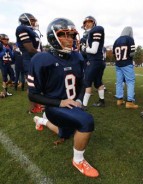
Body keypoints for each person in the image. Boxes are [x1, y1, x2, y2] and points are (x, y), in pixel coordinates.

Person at [27, 18, 99, 178]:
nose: (70, 39)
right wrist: (60, 102)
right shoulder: (40, 60)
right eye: (64, 35)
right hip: (54, 106)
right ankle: (78, 160)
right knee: (87, 121)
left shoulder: (78, 57)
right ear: (52, 36)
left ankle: (41, 121)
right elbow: (33, 94)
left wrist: (79, 100)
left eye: (72, 35)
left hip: (72, 105)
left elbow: (82, 84)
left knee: (64, 133)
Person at [16, 13, 43, 113]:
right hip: (30, 60)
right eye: (32, 20)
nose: (34, 22)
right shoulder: (21, 28)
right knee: (32, 84)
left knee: (39, 83)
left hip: (35, 58)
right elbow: (30, 49)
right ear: (25, 20)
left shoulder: (32, 31)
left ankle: (38, 104)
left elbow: (37, 48)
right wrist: (44, 55)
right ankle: (32, 108)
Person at [81, 16, 105, 109]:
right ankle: (102, 101)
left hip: (94, 61)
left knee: (87, 83)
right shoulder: (90, 33)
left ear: (94, 22)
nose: (87, 24)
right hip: (99, 61)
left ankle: (84, 105)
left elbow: (94, 50)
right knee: (98, 82)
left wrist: (84, 49)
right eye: (85, 22)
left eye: (89, 22)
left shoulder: (97, 29)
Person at [113, 27, 138, 109]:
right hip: (126, 63)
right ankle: (130, 102)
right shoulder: (130, 39)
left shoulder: (116, 40)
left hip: (118, 64)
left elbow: (114, 53)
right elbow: (132, 53)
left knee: (119, 82)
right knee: (130, 82)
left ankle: (119, 99)